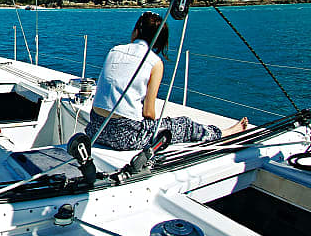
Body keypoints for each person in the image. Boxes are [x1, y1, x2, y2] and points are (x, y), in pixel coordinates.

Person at [85, 11, 248, 151]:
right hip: (125, 138)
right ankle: (225, 133)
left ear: (136, 32)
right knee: (184, 125)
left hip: (95, 129)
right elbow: (149, 112)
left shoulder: (114, 50)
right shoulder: (154, 62)